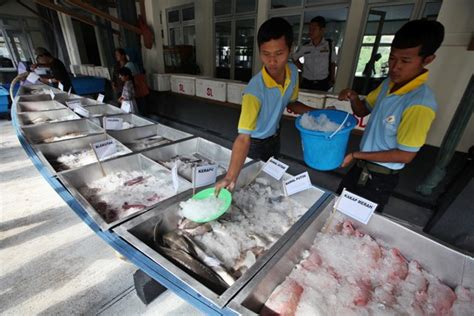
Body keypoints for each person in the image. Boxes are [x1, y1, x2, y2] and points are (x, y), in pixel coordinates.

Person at [333, 19, 444, 211]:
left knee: (357, 225)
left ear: (427, 60)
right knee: (336, 209)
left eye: (405, 61)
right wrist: (352, 96)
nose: (395, 67)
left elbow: (405, 155)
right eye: (392, 58)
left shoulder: (419, 104)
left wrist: (355, 154)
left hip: (380, 178)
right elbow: (362, 110)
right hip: (361, 166)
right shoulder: (388, 84)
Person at [215, 17, 304, 193]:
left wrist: (318, 113)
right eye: (266, 54)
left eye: (279, 54)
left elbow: (292, 103)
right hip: (253, 144)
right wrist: (230, 176)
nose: (272, 61)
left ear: (290, 49)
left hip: (274, 138)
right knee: (246, 186)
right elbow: (243, 138)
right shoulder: (254, 91)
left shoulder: (293, 72)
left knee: (269, 183)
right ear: (259, 51)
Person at [292, 16, 337, 91]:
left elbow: (332, 62)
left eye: (314, 29)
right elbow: (294, 58)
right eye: (310, 29)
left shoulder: (329, 45)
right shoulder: (305, 46)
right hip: (306, 82)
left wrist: (332, 78)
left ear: (322, 30)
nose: (310, 32)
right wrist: (303, 69)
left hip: (323, 82)